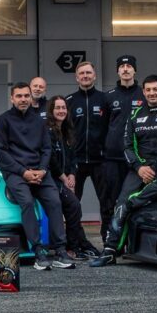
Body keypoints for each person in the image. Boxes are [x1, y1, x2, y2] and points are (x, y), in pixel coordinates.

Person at [92, 75, 157, 267]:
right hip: (139, 168)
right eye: (148, 90)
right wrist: (139, 167)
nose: (152, 93)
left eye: (155, 89)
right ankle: (110, 251)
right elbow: (127, 146)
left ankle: (133, 203)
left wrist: (155, 167)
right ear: (143, 92)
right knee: (119, 203)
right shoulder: (135, 115)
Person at [0, 82, 74, 270]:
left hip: (40, 172)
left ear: (31, 98)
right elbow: (2, 153)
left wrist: (43, 170)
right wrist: (24, 173)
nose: (23, 99)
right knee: (27, 203)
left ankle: (60, 250)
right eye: (19, 96)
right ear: (12, 98)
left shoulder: (39, 121)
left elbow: (46, 149)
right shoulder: (3, 121)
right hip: (15, 173)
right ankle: (38, 251)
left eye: (26, 96)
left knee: (55, 202)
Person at [47, 95, 100, 260]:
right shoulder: (48, 131)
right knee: (70, 205)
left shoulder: (67, 130)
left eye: (63, 108)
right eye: (57, 108)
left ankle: (75, 246)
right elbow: (51, 159)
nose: (61, 111)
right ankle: (67, 247)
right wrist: (64, 178)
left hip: (64, 178)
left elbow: (73, 157)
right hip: (50, 180)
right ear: (51, 111)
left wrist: (72, 175)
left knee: (74, 206)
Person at [103, 54, 145, 240]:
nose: (126, 69)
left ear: (135, 70)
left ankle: (132, 240)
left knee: (135, 200)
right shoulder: (108, 97)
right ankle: (110, 240)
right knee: (111, 201)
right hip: (113, 159)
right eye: (122, 67)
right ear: (117, 71)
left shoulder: (144, 95)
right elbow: (103, 127)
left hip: (139, 160)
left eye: (129, 66)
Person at [65, 62, 110, 213]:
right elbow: (63, 130)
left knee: (107, 202)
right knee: (72, 201)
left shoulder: (105, 99)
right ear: (76, 77)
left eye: (88, 73)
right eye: (82, 73)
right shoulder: (69, 101)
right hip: (76, 161)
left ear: (94, 76)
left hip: (101, 161)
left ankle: (107, 229)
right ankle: (73, 230)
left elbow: (112, 128)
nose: (85, 76)